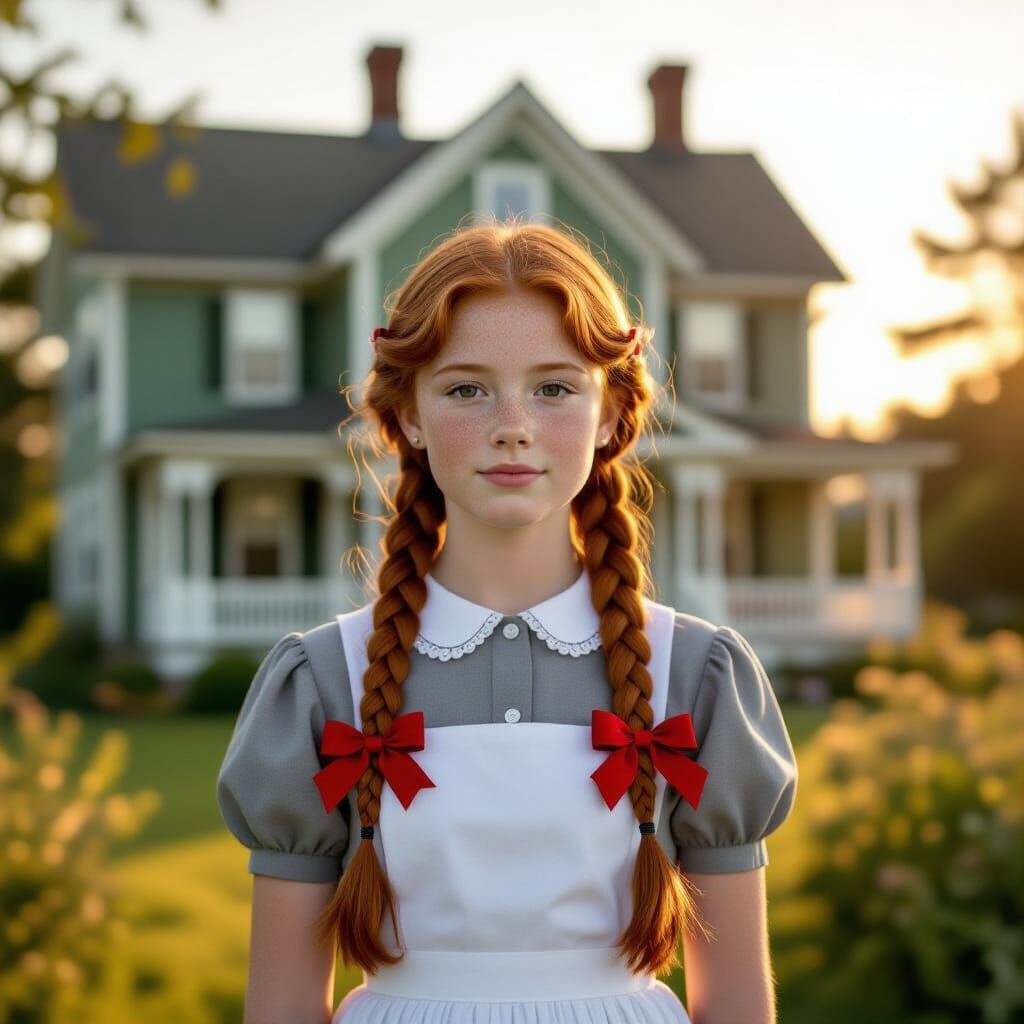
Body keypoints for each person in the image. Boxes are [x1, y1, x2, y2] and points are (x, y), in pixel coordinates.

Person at [216, 217, 799, 1024]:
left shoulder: (695, 675)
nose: (512, 423)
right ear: (410, 415)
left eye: (554, 387)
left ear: (609, 414)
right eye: (466, 388)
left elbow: (736, 1006)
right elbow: (280, 1008)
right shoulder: (323, 682)